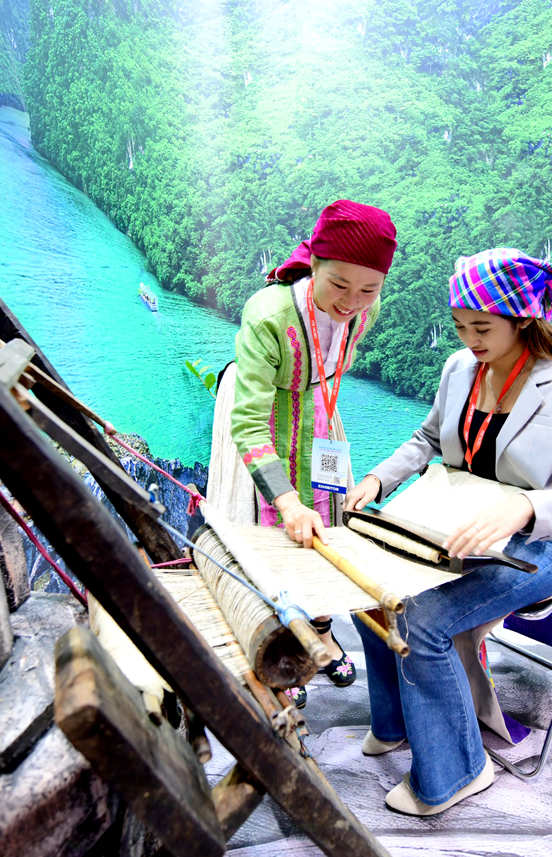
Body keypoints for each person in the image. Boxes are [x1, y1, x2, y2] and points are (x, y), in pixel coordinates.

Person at [342, 248, 552, 815]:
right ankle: (400, 722)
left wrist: (526, 510)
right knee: (368, 586)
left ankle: (456, 771)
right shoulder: (460, 368)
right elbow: (429, 439)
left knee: (422, 618)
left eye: (481, 327)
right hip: (456, 520)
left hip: (543, 543)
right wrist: (381, 480)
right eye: (460, 326)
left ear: (524, 318)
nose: (469, 339)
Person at [230, 199, 398, 706]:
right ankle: (285, 648)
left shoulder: (362, 308)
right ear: (314, 264)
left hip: (324, 423)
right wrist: (285, 499)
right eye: (339, 285)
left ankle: (322, 632)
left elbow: (330, 374)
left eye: (369, 289)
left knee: (330, 525)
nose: (352, 302)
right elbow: (248, 421)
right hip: (268, 426)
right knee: (280, 537)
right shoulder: (269, 316)